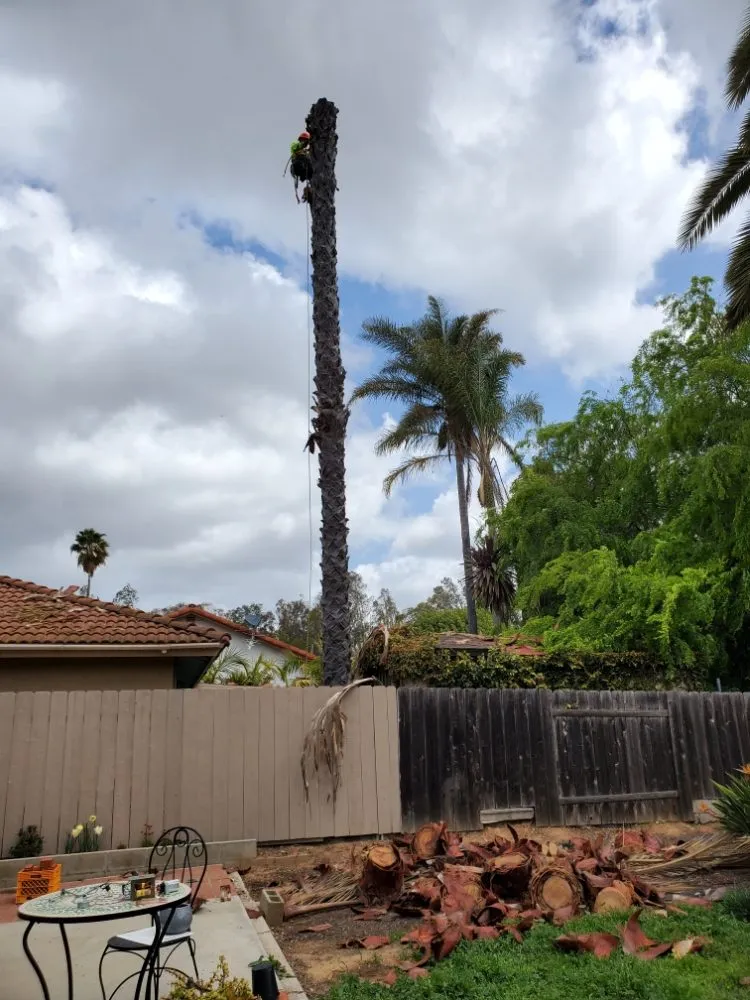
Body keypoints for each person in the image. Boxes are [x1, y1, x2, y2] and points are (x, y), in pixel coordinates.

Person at [289, 130, 312, 203]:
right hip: (297, 165)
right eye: (303, 140)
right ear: (300, 139)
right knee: (301, 161)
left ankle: (309, 191)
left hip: (305, 168)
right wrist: (304, 144)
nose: (304, 141)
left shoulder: (306, 152)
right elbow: (296, 147)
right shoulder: (295, 144)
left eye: (305, 140)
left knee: (311, 170)